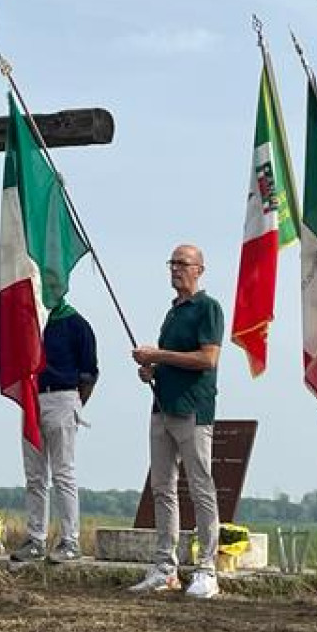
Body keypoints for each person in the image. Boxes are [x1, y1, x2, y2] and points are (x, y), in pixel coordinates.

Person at [128, 244, 225, 599]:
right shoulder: (172, 312)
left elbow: (207, 359)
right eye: (172, 263)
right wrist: (152, 369)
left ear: (199, 269)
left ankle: (207, 569)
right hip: (162, 407)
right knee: (162, 488)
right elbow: (172, 361)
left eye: (182, 263)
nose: (175, 269)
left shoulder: (208, 308)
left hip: (193, 410)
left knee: (200, 487)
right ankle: (165, 567)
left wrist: (160, 355)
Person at [14, 301, 97, 564]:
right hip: (32, 397)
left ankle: (70, 540)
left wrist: (75, 404)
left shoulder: (77, 324)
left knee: (63, 472)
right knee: (34, 474)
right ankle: (36, 538)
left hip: (63, 395)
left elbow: (89, 372)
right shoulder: (31, 322)